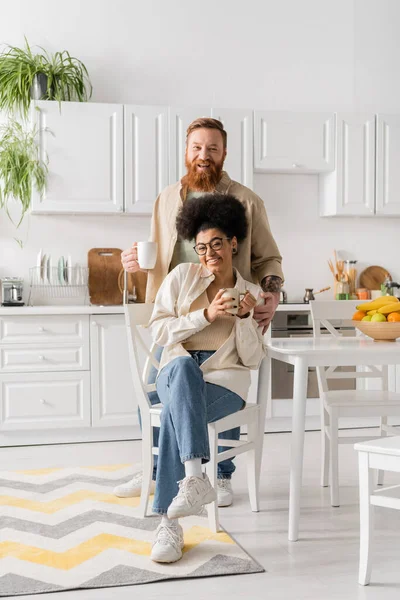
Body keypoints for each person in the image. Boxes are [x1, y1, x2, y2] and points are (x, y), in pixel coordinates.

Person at [115, 117, 284, 506]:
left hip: (228, 314)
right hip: (178, 313)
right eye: (196, 148)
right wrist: (136, 263)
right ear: (186, 151)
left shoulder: (246, 201)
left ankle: (218, 475)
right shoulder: (167, 198)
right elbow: (159, 254)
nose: (203, 156)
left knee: (209, 384)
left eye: (212, 148)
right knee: (157, 388)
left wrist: (270, 295)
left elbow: (269, 259)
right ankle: (165, 472)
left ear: (224, 153)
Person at [148, 194, 266, 563]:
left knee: (174, 414)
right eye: (201, 247)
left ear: (233, 243)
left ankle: (168, 520)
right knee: (183, 372)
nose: (209, 253)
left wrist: (246, 320)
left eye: (217, 243)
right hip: (178, 369)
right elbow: (159, 331)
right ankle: (197, 480)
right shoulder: (182, 277)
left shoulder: (251, 294)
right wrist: (205, 315)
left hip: (224, 383)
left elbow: (253, 359)